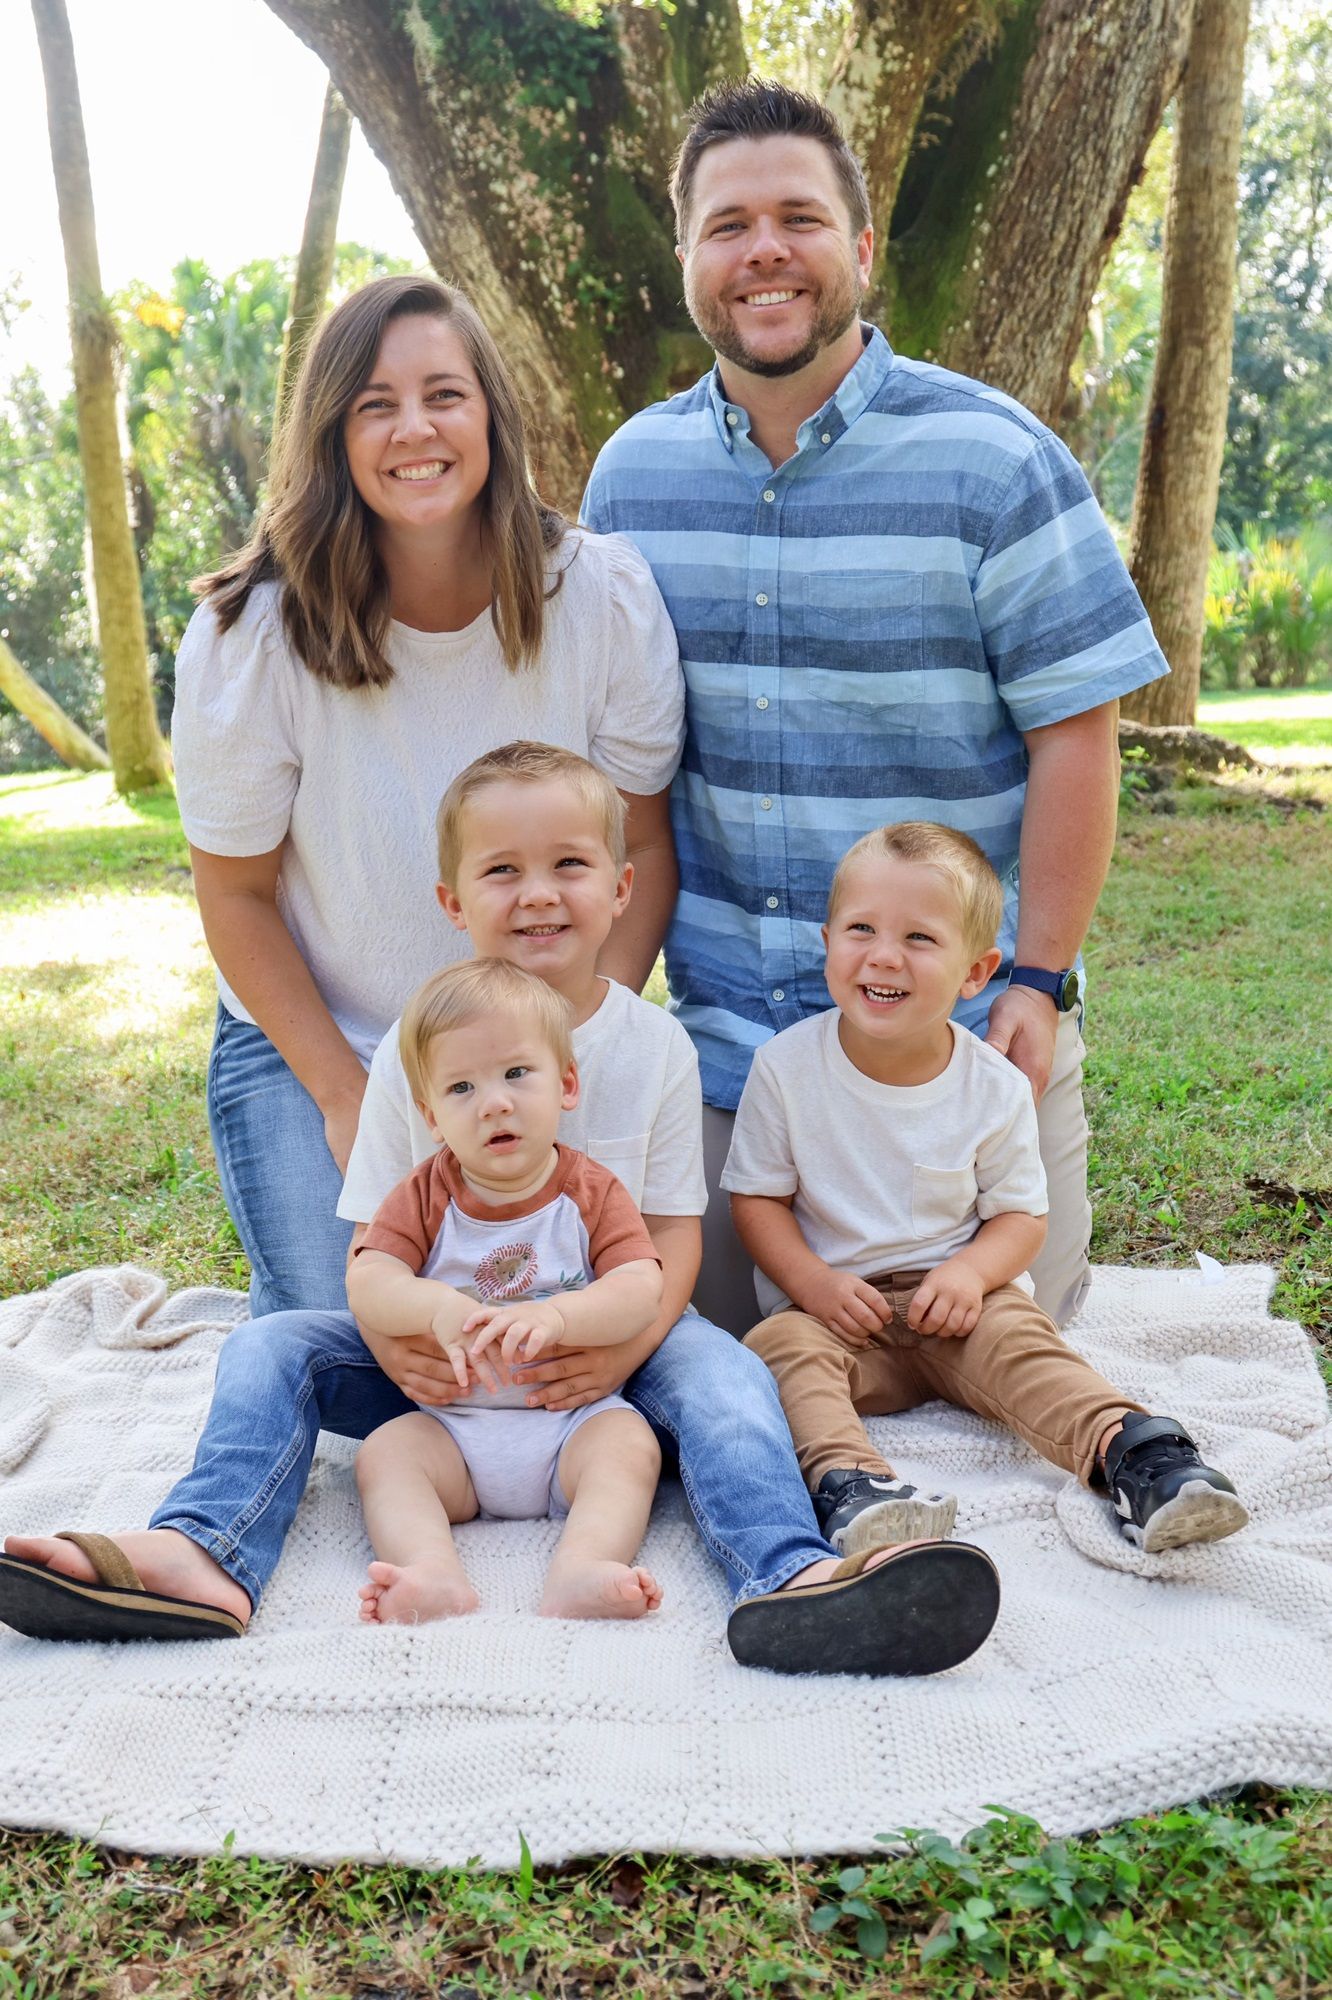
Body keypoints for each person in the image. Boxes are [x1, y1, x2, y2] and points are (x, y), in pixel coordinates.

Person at [0, 746, 1000, 1676]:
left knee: (729, 1371)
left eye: (568, 862)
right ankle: (201, 1548)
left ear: (618, 889)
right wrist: (398, 1352)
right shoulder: (413, 1047)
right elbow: (375, 1244)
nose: (536, 893)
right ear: (452, 899)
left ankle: (786, 1573)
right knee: (267, 1347)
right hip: (444, 1360)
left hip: (615, 1340)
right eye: (501, 870)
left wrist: (621, 1349)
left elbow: (669, 1235)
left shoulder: (651, 1048)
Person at [581, 79, 1172, 1339]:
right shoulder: (631, 477)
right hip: (736, 1056)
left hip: (962, 1050)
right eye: (728, 224)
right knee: (722, 1360)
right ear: (688, 258)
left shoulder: (997, 458)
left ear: (857, 247)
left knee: (1009, 1343)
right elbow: (622, 772)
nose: (764, 251)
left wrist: (1040, 977)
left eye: (798, 216)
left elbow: (1077, 729)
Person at [172, 272, 684, 1318]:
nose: (416, 428)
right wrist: (347, 1096)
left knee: (592, 1305)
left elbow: (647, 846)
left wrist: (584, 1044)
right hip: (323, 1039)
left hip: (540, 1053)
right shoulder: (251, 635)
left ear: (491, 409)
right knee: (359, 1339)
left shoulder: (602, 598)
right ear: (332, 435)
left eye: (444, 394)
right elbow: (235, 896)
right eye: (375, 404)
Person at [725, 822, 1249, 1559]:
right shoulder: (785, 1069)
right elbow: (758, 1201)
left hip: (960, 1307)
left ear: (976, 972)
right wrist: (811, 1284)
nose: (883, 955)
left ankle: (1138, 1456)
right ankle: (851, 1486)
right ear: (827, 940)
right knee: (778, 1349)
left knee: (1028, 1345)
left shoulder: (991, 1085)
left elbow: (1019, 1217)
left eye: (919, 939)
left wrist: (970, 1274)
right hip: (840, 1311)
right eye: (861, 929)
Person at [349, 958, 665, 1625]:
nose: (494, 1102)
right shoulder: (425, 1193)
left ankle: (583, 1566)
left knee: (629, 1447)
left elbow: (642, 1288)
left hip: (570, 1422)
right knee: (385, 1455)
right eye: (461, 1088)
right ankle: (431, 1571)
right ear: (431, 1116)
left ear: (567, 1083)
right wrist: (436, 1308)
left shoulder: (591, 1192)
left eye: (517, 1074)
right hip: (454, 1429)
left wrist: (561, 1315)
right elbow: (369, 1279)